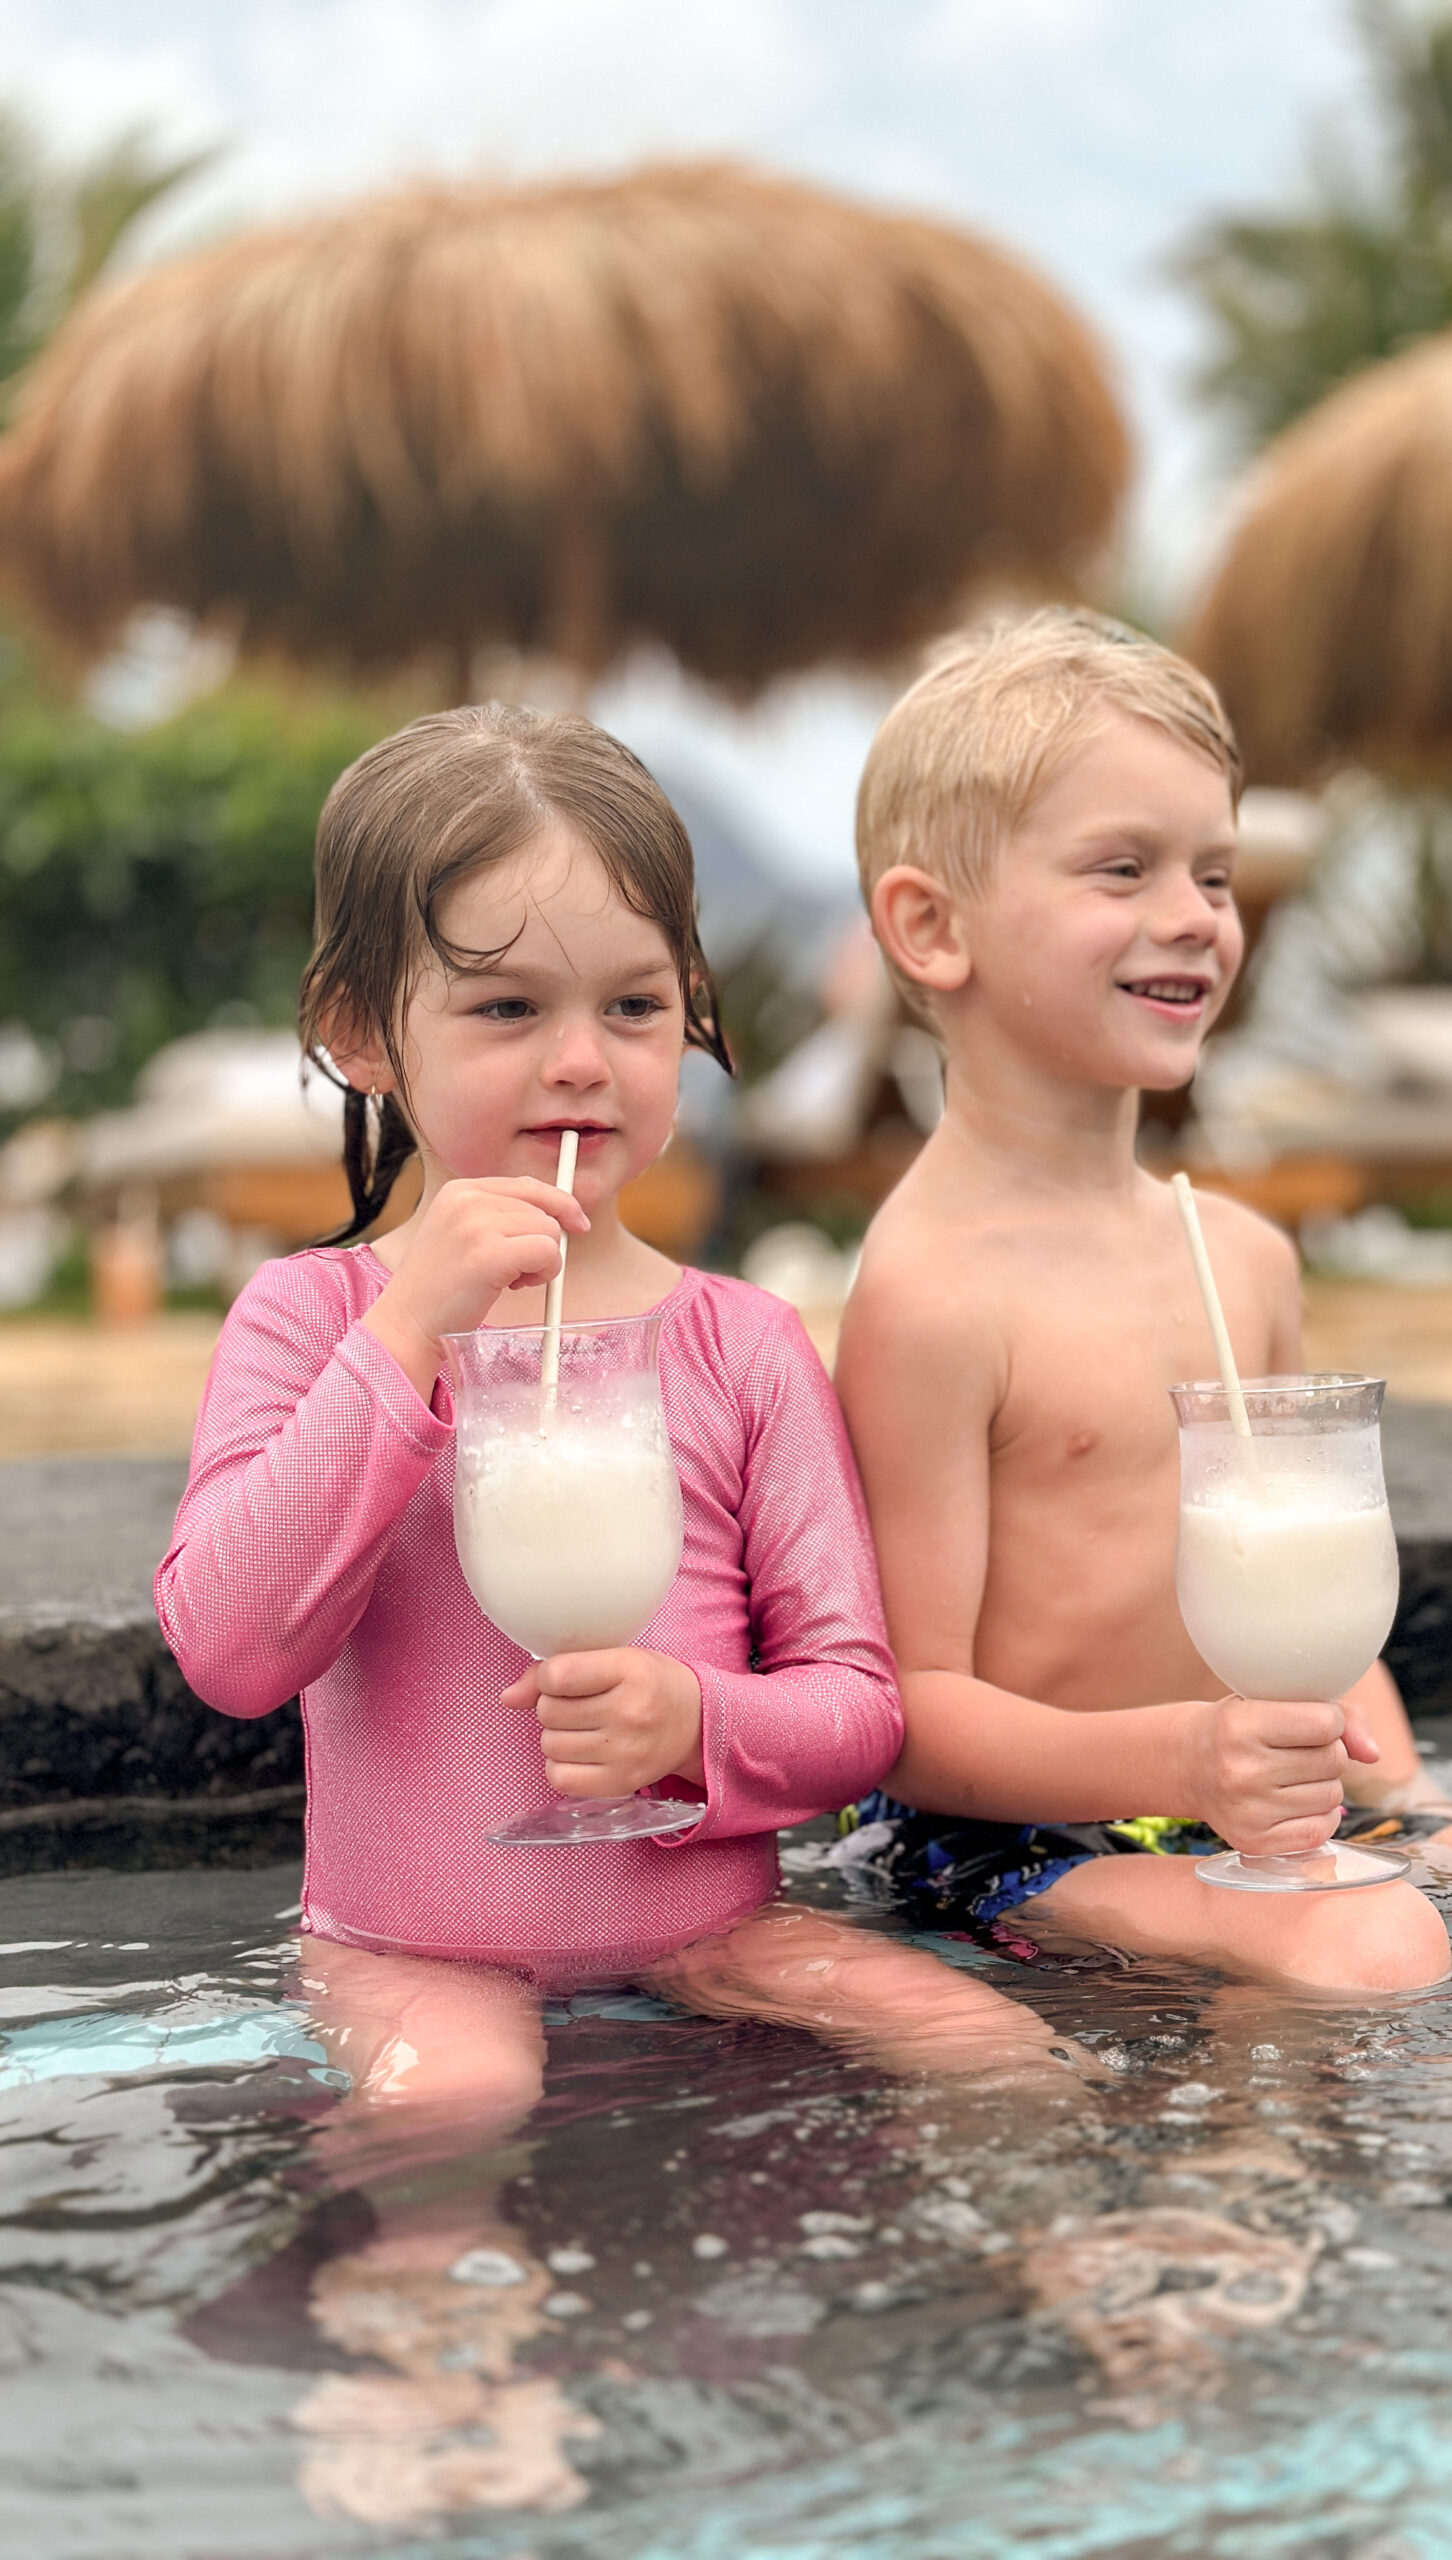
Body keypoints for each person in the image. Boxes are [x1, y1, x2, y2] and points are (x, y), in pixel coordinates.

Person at [156, 705, 1081, 2208]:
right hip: (415, 1949)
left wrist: (695, 1722)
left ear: (694, 1012)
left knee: (1000, 2056)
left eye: (636, 1008)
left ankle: (1086, 2325)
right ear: (359, 1031)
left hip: (710, 1928)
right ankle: (444, 2399)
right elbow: (229, 1650)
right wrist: (410, 1336)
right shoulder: (314, 1316)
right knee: (456, 2099)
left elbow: (857, 1710)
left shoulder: (741, 1342)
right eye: (507, 1010)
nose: (582, 1061)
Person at [834, 611, 1452, 1996]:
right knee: (1365, 1938)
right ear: (931, 926)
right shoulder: (932, 1295)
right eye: (1122, 870)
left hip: (1246, 1801)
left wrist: (1403, 1786)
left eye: (1214, 872)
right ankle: (1239, 2187)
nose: (1194, 914)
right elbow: (906, 1720)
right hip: (1020, 1836)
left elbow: (1309, 1600)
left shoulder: (1239, 1256)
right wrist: (1187, 1758)